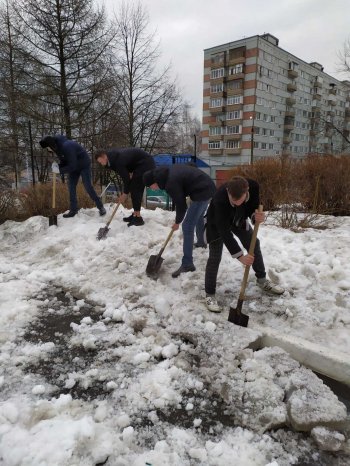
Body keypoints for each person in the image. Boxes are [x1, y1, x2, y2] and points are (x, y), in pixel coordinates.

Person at [204, 175, 284, 313]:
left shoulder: (253, 187)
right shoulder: (220, 200)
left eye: (238, 200)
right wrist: (240, 257)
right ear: (228, 191)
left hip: (238, 219)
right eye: (233, 200)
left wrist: (256, 216)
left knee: (254, 242)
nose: (235, 203)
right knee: (215, 257)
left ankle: (262, 280)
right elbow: (225, 233)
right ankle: (209, 295)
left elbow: (253, 207)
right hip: (217, 223)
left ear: (246, 191)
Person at [143, 164, 216, 278]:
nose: (151, 188)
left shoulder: (170, 183)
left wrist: (177, 222)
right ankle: (201, 242)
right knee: (198, 216)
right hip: (206, 187)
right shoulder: (166, 172)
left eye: (150, 186)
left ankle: (187, 264)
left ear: (154, 181)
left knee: (187, 226)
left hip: (203, 191)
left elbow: (181, 205)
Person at [39, 135, 106, 218]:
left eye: (48, 148)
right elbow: (65, 161)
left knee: (88, 186)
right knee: (71, 186)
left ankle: (101, 207)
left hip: (83, 165)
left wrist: (59, 170)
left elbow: (72, 166)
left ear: (51, 145)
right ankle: (73, 210)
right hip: (73, 165)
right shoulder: (57, 147)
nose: (48, 150)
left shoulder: (67, 146)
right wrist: (57, 166)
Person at [95, 148, 156, 226]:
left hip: (146, 164)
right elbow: (125, 171)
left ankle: (138, 218)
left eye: (100, 161)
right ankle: (135, 214)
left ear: (104, 157)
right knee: (134, 186)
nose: (101, 164)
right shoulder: (112, 160)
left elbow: (126, 178)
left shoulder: (116, 161)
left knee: (136, 188)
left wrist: (125, 193)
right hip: (140, 165)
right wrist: (129, 173)